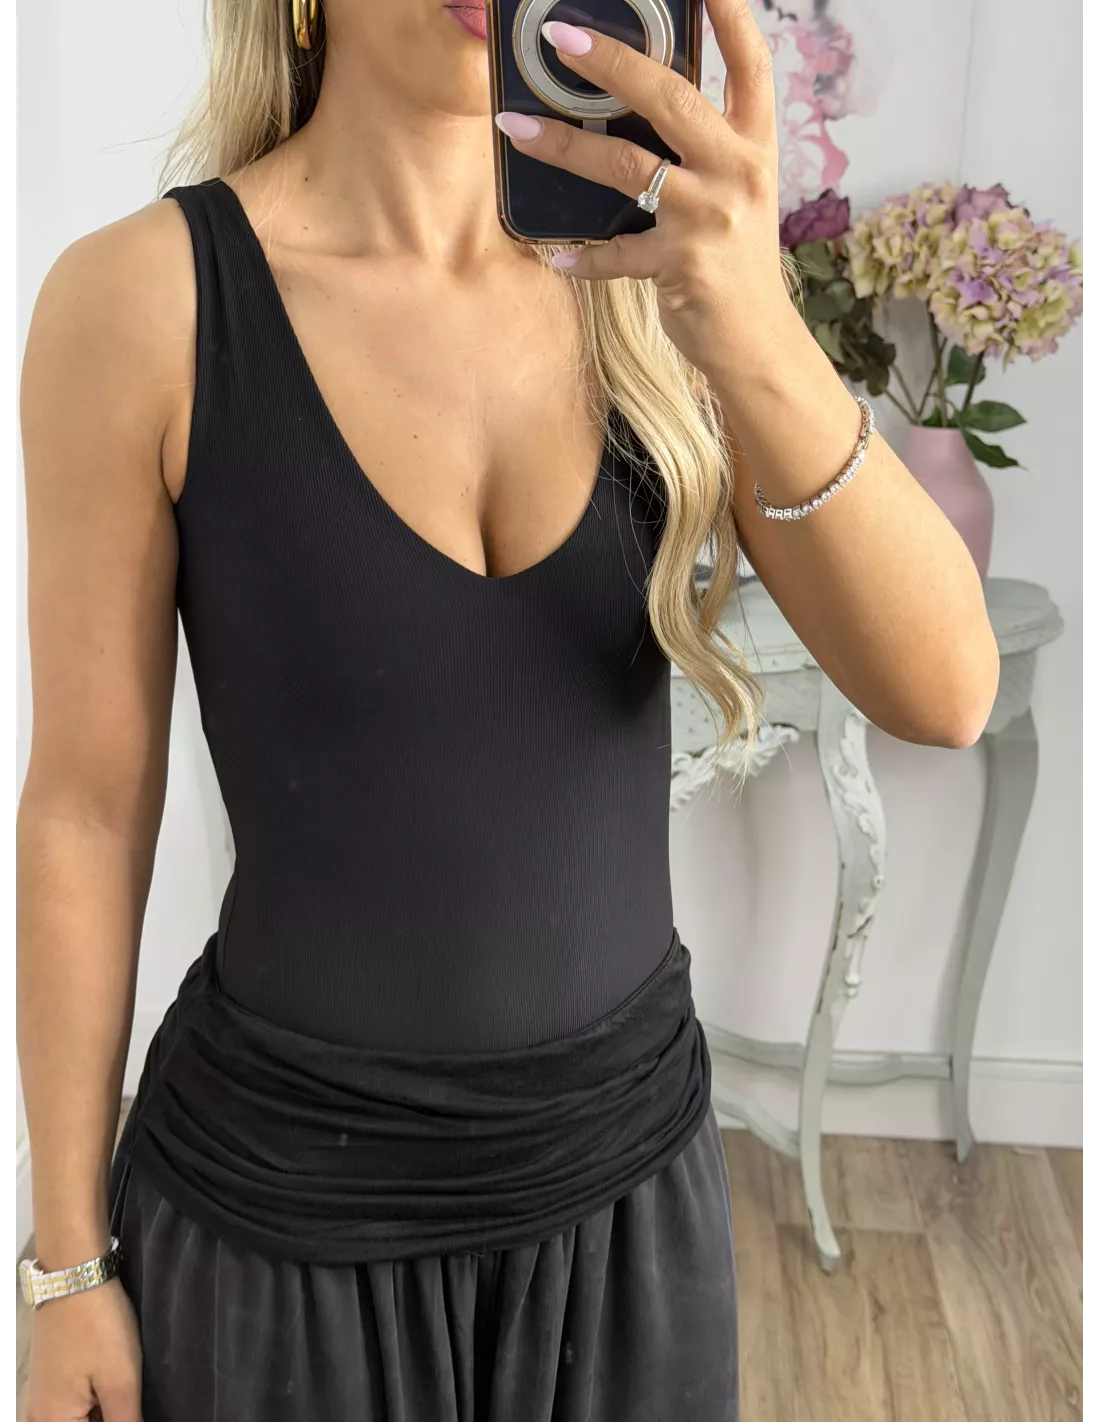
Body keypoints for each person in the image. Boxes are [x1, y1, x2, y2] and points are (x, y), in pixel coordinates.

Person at [15, 1, 1000, 1418]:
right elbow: (86, 810)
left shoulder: (660, 281)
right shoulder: (143, 303)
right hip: (278, 1224)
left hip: (625, 1220)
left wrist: (758, 328)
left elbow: (947, 691)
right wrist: (66, 1268)